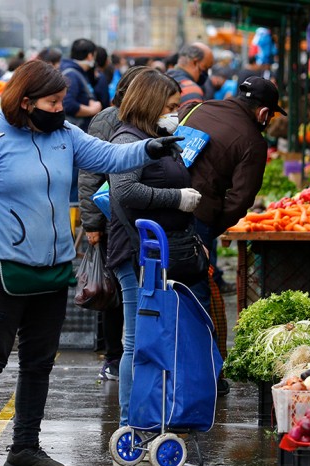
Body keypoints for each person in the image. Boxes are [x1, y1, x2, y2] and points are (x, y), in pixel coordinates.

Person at [0, 60, 183, 466]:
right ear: (25, 101)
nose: (61, 109)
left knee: (39, 361)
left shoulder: (66, 135)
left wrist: (149, 147)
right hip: (1, 267)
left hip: (53, 267)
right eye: (53, 102)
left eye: (60, 101)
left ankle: (25, 447)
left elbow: (108, 154)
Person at [105, 70, 202, 425]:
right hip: (135, 251)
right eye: (171, 106)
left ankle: (151, 413)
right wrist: (177, 199)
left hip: (159, 252)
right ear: (151, 103)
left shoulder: (156, 136)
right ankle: (131, 421)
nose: (175, 112)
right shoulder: (127, 140)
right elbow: (126, 191)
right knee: (136, 340)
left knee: (153, 338)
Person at [179, 76, 284, 395]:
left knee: (167, 288)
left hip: (163, 203)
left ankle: (178, 367)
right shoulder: (252, 140)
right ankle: (203, 375)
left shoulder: (202, 107)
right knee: (196, 294)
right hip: (197, 216)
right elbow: (241, 199)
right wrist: (214, 224)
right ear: (264, 113)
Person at [78, 66, 154, 382]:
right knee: (115, 294)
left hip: (141, 219)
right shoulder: (108, 120)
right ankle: (113, 356)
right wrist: (92, 223)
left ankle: (136, 355)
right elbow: (89, 174)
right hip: (111, 219)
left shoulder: (149, 122)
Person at [60, 38, 102, 130]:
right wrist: (92, 110)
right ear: (90, 56)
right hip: (78, 128)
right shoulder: (71, 74)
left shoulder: (79, 72)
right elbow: (68, 104)